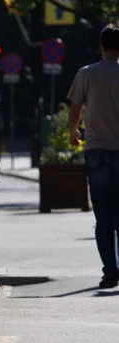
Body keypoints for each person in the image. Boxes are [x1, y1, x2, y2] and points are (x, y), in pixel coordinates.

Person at [66, 23, 119, 289]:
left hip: (96, 150)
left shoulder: (86, 74)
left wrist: (73, 132)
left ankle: (110, 272)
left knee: (103, 217)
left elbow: (74, 111)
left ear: (101, 47)